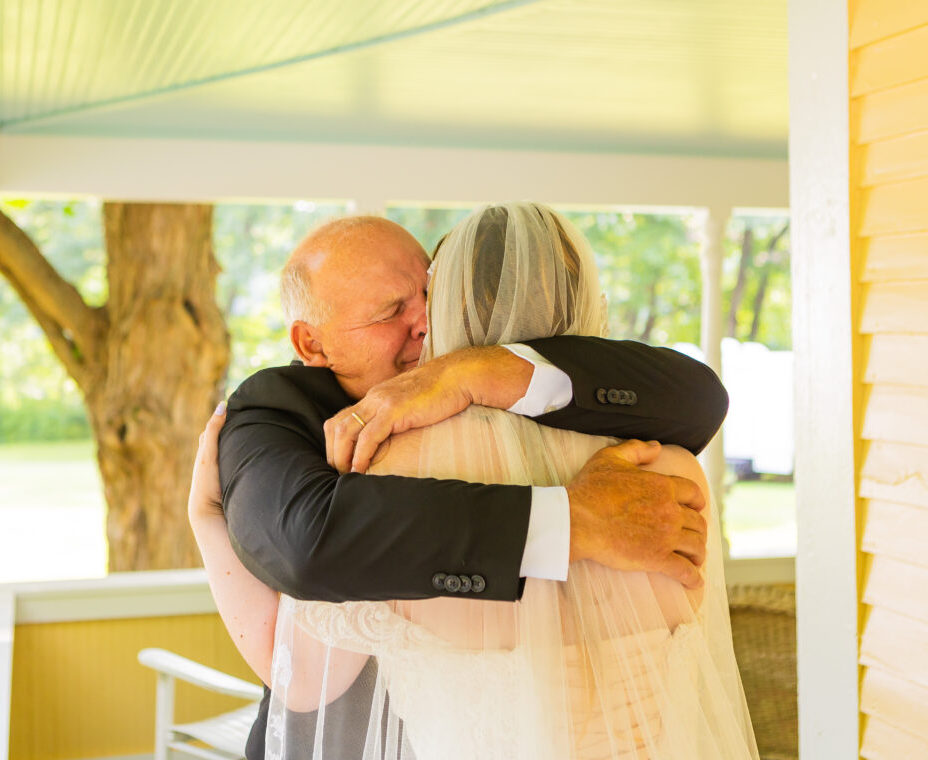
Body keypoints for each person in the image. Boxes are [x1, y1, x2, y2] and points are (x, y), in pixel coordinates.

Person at [192, 203, 756, 758]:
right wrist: (571, 520)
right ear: (311, 343)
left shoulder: (499, 379)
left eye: (429, 295)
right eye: (391, 311)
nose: (424, 321)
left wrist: (471, 372)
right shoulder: (273, 410)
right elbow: (309, 544)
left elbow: (701, 397)